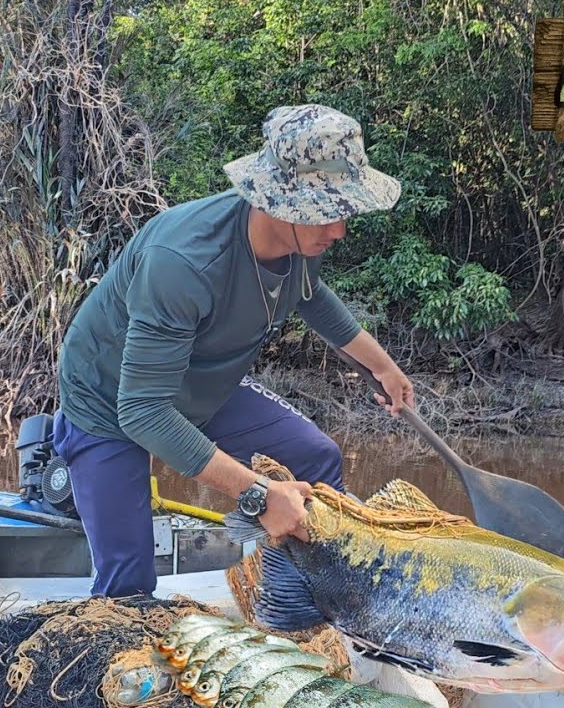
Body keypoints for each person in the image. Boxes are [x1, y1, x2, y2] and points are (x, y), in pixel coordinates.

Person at [53, 104, 416, 598]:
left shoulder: (298, 244)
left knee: (317, 457)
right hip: (110, 401)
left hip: (202, 383)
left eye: (343, 213)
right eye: (326, 214)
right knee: (128, 584)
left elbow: (314, 300)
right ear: (276, 201)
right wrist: (257, 495)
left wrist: (383, 366)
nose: (338, 232)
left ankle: (307, 595)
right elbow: (141, 412)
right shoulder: (183, 263)